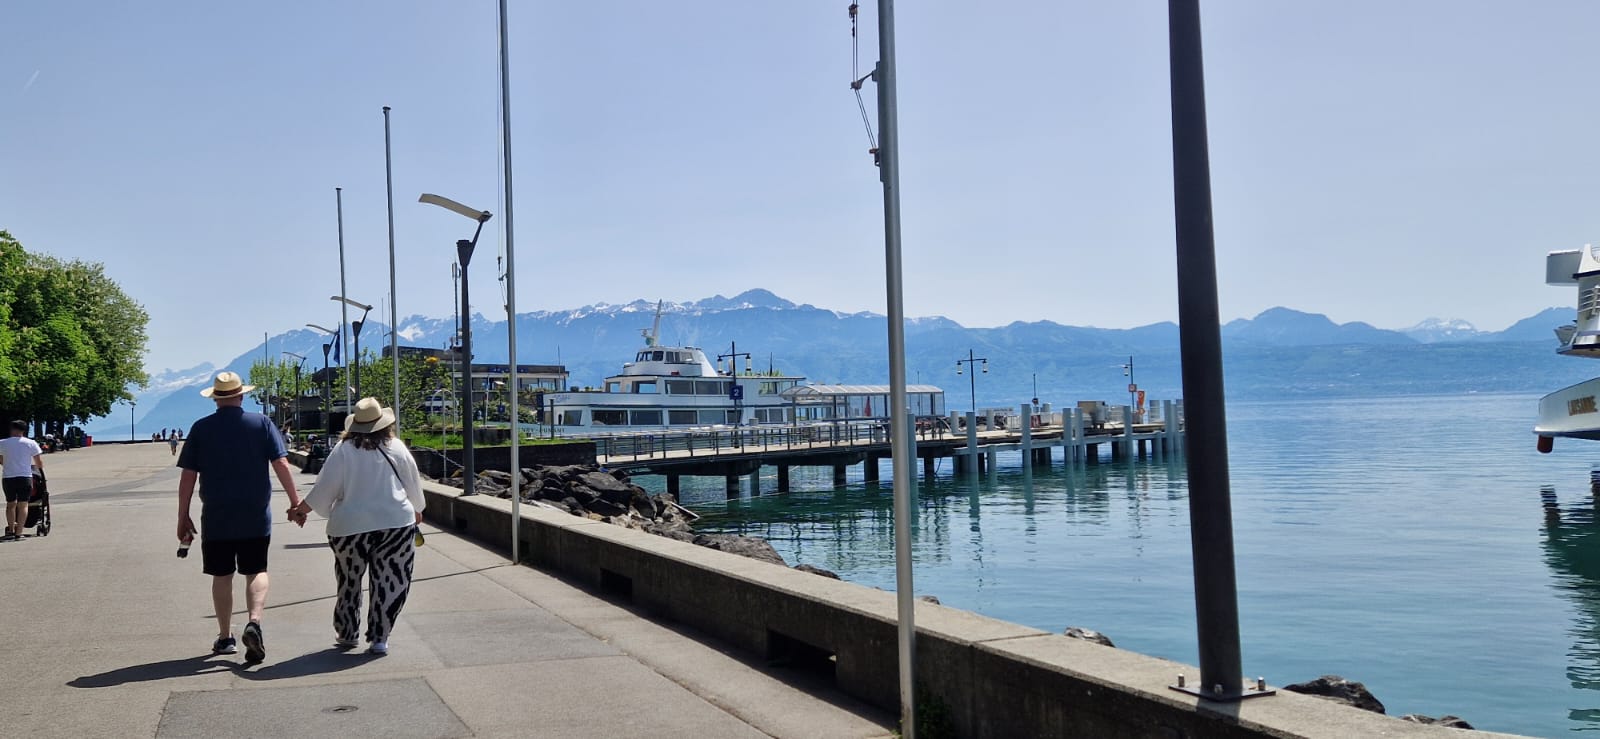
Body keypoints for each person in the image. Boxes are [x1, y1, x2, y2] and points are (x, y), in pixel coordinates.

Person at [176, 371, 304, 663]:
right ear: (241, 395)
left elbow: (188, 478)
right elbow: (281, 463)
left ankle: (225, 638)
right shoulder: (261, 423)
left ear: (216, 399)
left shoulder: (201, 428)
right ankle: (254, 622)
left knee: (222, 575)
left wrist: (182, 517)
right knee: (256, 570)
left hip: (217, 517)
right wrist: (295, 502)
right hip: (255, 514)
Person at [289, 397, 424, 656]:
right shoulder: (396, 447)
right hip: (395, 523)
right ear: (385, 425)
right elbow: (413, 485)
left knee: (349, 580)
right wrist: (417, 508)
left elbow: (323, 490)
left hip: (349, 527)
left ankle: (347, 632)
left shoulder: (343, 450)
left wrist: (300, 511)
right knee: (391, 580)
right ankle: (379, 637)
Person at [0, 421, 43, 540]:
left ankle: (11, 530)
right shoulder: (31, 443)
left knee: (10, 504)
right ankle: (19, 533)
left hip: (8, 477)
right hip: (25, 476)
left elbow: (1, 459)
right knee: (23, 505)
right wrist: (37, 468)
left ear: (12, 429)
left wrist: (7, 464)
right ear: (24, 430)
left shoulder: (3, 443)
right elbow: (38, 462)